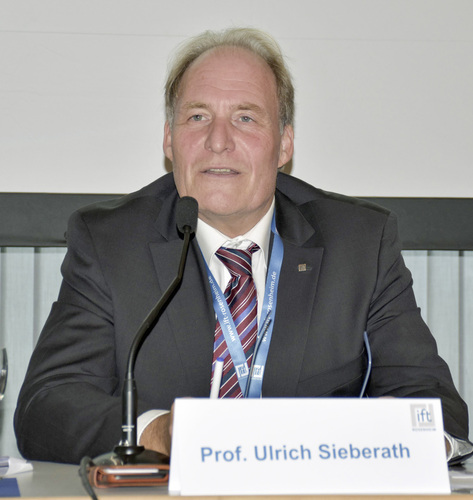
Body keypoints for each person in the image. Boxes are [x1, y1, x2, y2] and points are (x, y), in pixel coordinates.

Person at [15, 27, 472, 464]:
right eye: (197, 117)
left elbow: (433, 409)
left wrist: (357, 437)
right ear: (169, 140)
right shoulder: (111, 243)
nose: (218, 141)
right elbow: (47, 406)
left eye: (245, 118)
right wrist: (157, 432)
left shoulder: (359, 244)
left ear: (285, 143)